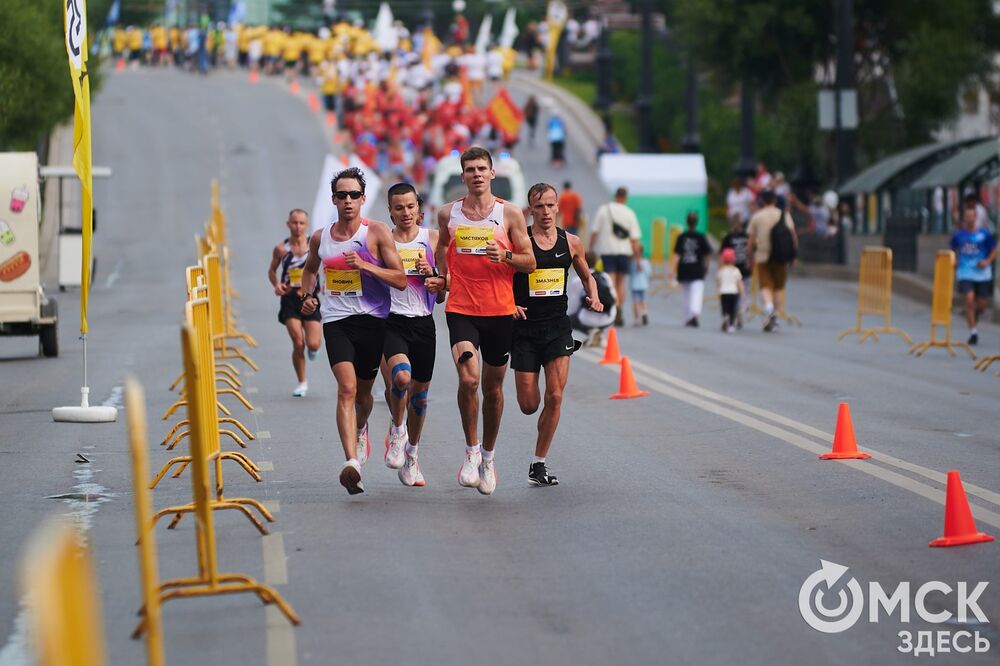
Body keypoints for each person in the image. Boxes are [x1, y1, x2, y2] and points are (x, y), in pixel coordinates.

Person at [434, 146, 535, 496]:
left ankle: (489, 458)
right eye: (470, 169)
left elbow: (530, 261)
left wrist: (505, 255)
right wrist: (440, 280)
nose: (476, 174)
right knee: (468, 379)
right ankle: (471, 451)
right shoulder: (448, 213)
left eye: (482, 168)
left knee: (492, 388)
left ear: (492, 174)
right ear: (462, 176)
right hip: (462, 307)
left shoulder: (509, 215)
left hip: (499, 311)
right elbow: (441, 248)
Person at [300, 167, 407, 495]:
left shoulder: (375, 233)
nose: (348, 200)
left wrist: (366, 266)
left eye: (354, 195)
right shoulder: (321, 237)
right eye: (341, 195)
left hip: (373, 322)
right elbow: (309, 271)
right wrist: (308, 296)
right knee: (346, 389)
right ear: (333, 199)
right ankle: (351, 463)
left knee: (363, 394)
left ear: (363, 199)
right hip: (336, 322)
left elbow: (400, 279)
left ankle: (361, 428)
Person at [512, 183, 602, 487]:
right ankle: (537, 451)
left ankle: (538, 462)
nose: (546, 212)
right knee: (529, 404)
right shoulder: (519, 241)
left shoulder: (571, 242)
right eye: (539, 207)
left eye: (550, 206)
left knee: (555, 395)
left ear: (557, 208)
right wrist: (509, 303)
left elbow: (587, 275)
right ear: (530, 209)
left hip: (557, 328)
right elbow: (499, 278)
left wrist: (595, 297)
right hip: (524, 329)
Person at [380, 183, 443, 487]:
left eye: (410, 206)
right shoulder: (382, 241)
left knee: (419, 397)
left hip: (423, 324)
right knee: (401, 378)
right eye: (398, 207)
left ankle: (412, 454)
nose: (405, 213)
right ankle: (396, 429)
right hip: (391, 321)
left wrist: (431, 272)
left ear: (419, 208)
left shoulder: (432, 239)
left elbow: (444, 291)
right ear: (389, 210)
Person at [267, 209, 322, 397]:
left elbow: (326, 265)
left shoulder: (314, 245)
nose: (298, 226)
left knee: (313, 344)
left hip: (310, 297)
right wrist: (277, 284)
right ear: (288, 224)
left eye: (301, 223)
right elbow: (272, 271)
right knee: (298, 343)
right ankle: (302, 382)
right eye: (294, 223)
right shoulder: (281, 249)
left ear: (306, 225)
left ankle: (313, 350)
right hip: (290, 299)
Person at [589, 186, 641, 327]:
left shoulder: (604, 210)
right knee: (621, 283)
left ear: (615, 195)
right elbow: (635, 240)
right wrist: (638, 260)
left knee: (611, 282)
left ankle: (613, 309)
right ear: (625, 197)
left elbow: (595, 232)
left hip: (608, 251)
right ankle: (619, 309)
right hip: (624, 252)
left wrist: (590, 248)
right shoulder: (630, 213)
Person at [747, 190, 798, 332]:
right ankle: (775, 316)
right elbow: (793, 236)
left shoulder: (757, 216)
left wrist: (749, 257)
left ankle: (768, 308)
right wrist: (794, 256)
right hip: (781, 257)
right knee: (778, 287)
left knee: (765, 286)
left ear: (762, 200)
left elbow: (750, 241)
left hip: (763, 256)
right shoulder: (784, 215)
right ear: (775, 200)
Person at [950, 203, 997, 346]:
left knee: (982, 305)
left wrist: (987, 261)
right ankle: (973, 332)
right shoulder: (959, 235)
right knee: (969, 300)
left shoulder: (984, 234)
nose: (969, 218)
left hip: (982, 274)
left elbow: (994, 250)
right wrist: (955, 260)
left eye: (971, 216)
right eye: (967, 216)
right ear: (964, 218)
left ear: (976, 217)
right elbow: (952, 249)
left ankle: (974, 314)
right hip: (965, 273)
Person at [670, 211, 711, 327]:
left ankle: (688, 315)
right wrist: (706, 267)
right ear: (697, 223)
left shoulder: (681, 237)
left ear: (686, 222)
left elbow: (677, 255)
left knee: (685, 294)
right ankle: (694, 314)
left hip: (684, 269)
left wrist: (672, 269)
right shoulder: (701, 237)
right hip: (697, 269)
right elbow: (706, 254)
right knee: (696, 293)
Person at [569, 251, 617, 346]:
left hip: (586, 319)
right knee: (607, 311)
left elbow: (574, 306)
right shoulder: (605, 276)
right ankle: (600, 333)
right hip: (608, 317)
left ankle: (590, 331)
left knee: (570, 319)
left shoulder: (577, 280)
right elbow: (614, 298)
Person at [720, 215, 751, 327]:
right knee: (743, 291)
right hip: (745, 268)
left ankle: (734, 312)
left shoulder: (728, 237)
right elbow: (751, 250)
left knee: (733, 292)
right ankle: (738, 311)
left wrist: (721, 268)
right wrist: (750, 262)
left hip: (732, 268)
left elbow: (722, 255)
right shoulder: (746, 236)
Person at [717, 248, 745, 333]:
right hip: (733, 292)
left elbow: (718, 281)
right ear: (733, 259)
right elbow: (739, 283)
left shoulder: (721, 270)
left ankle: (725, 316)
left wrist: (718, 289)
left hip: (723, 292)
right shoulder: (736, 270)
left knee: (725, 307)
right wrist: (742, 293)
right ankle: (731, 325)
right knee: (733, 309)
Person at [630, 245, 650, 326]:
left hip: (634, 284)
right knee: (644, 301)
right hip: (643, 284)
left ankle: (636, 319)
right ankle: (644, 312)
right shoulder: (646, 262)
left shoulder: (632, 263)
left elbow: (630, 272)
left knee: (635, 302)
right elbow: (648, 272)